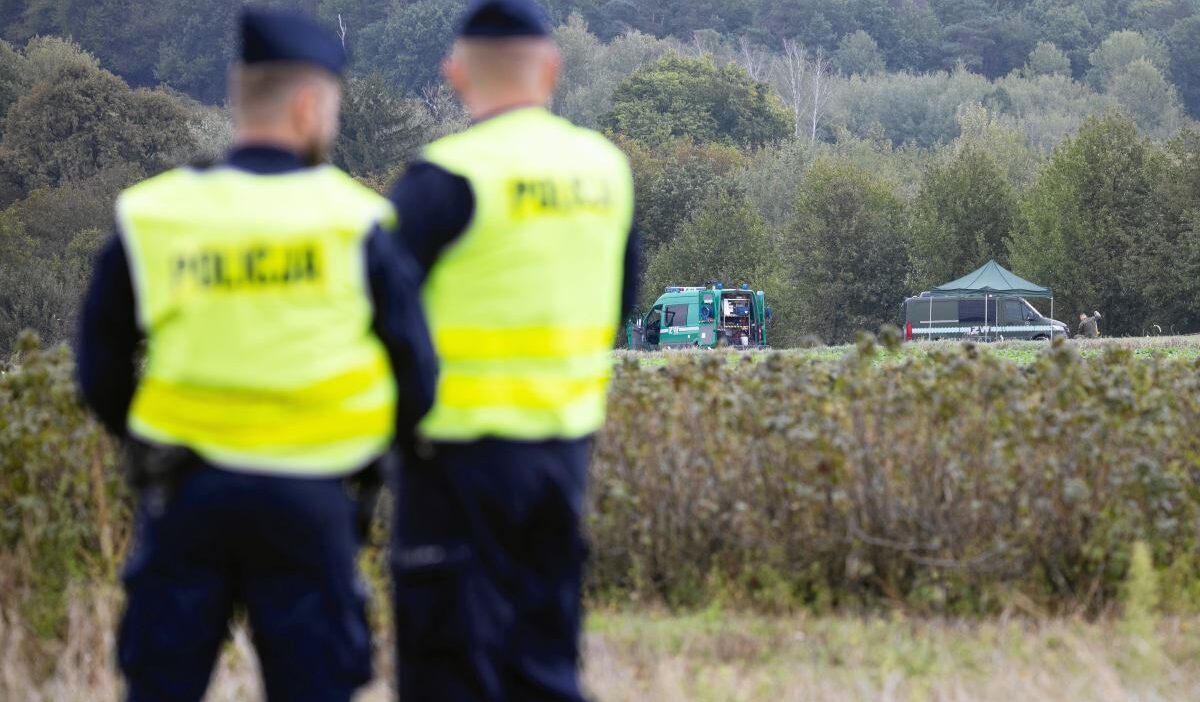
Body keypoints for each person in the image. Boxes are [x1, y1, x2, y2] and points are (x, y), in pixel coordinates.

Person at [76, 10, 436, 702]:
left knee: (160, 684)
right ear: (308, 105)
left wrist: (150, 442)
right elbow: (416, 376)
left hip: (186, 494)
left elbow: (98, 369)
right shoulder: (357, 221)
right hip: (313, 500)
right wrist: (366, 457)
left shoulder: (152, 215)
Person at [385, 1, 638, 700]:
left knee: (449, 667)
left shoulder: (443, 177)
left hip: (455, 462)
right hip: (562, 455)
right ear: (553, 69)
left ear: (456, 73)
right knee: (545, 657)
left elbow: (379, 312)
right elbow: (620, 304)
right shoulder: (606, 171)